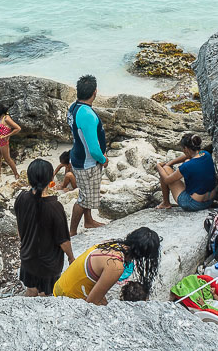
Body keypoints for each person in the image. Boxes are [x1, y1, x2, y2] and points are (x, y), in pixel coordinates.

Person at [52, 227, 161, 305]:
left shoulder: (111, 244)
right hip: (67, 299)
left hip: (60, 286)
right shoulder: (116, 266)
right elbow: (91, 303)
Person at [14, 159, 75, 296]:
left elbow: (19, 229)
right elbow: (63, 241)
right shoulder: (54, 207)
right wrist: (71, 257)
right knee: (45, 295)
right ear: (51, 179)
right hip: (48, 264)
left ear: (29, 179)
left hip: (28, 258)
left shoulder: (21, 198)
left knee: (31, 291)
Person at [67, 74, 107, 235]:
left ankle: (89, 221)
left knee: (87, 193)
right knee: (84, 199)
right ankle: (72, 232)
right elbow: (94, 149)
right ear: (95, 92)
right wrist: (103, 159)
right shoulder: (87, 114)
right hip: (87, 162)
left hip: (78, 155)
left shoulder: (73, 107)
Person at [155, 133, 216, 212]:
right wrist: (170, 163)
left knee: (164, 170)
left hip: (193, 204)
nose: (183, 151)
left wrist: (158, 167)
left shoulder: (187, 166)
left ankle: (166, 203)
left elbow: (166, 180)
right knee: (186, 161)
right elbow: (188, 156)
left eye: (183, 149)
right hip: (209, 201)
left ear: (186, 149)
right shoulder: (206, 154)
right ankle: (166, 203)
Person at [0, 101, 21, 182]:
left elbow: (18, 128)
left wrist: (8, 135)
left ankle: (16, 174)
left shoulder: (6, 118)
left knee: (7, 159)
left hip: (3, 142)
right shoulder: (0, 117)